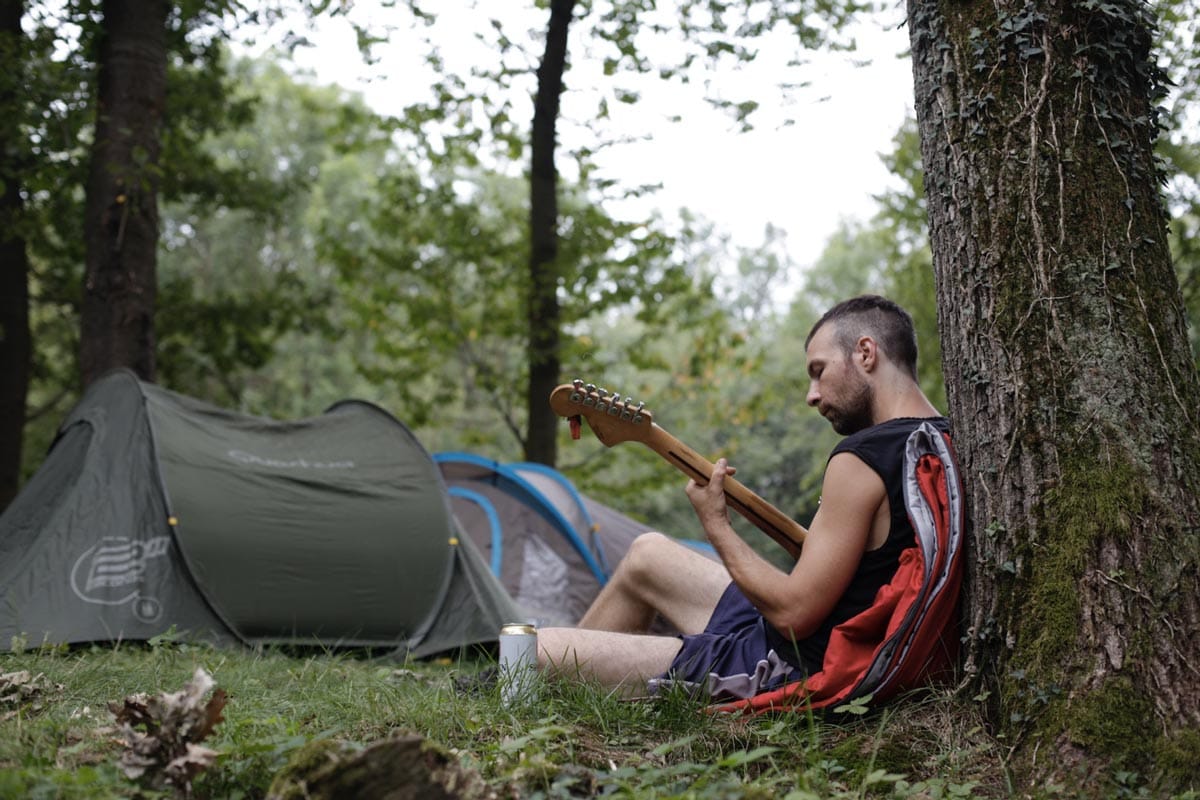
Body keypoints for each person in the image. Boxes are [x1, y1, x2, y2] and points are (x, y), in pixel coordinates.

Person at [535, 295, 950, 700]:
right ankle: (587, 694)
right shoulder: (945, 442)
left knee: (532, 652)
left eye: (818, 370)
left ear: (865, 353)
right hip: (821, 636)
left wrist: (716, 525)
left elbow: (792, 616)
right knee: (647, 553)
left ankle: (546, 695)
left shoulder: (860, 460)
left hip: (786, 665)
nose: (812, 394)